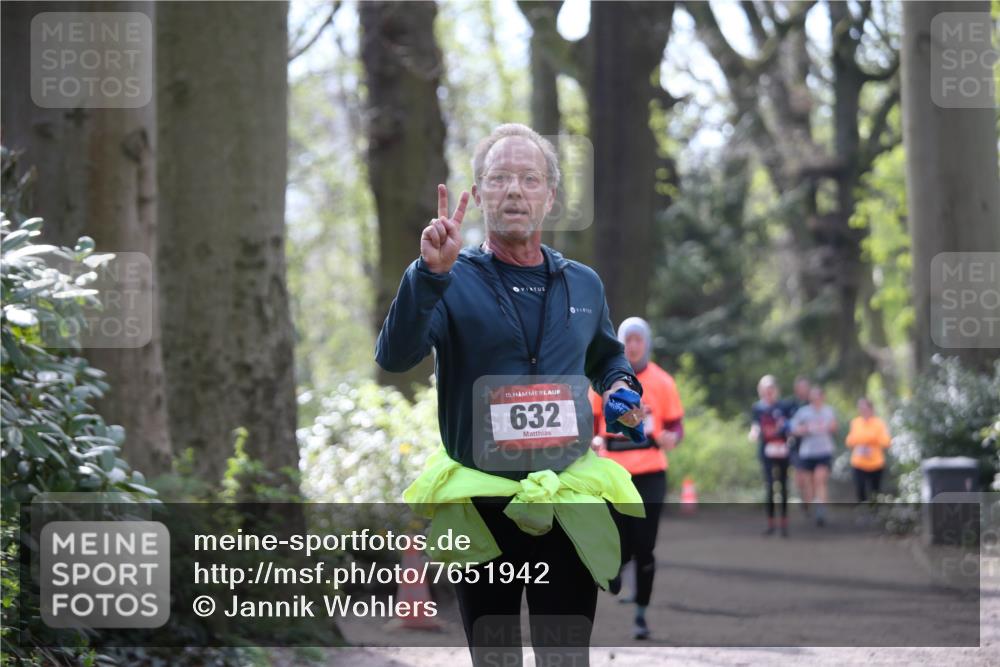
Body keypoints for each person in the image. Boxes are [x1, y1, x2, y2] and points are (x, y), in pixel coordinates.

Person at [376, 123, 647, 667]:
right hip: (482, 505)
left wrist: (620, 388)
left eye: (529, 178)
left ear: (550, 195)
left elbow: (607, 357)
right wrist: (428, 275)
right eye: (499, 178)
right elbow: (395, 356)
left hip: (566, 501)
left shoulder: (584, 284)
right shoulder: (448, 277)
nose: (515, 190)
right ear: (478, 193)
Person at [588, 316, 684, 640]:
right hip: (612, 472)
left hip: (650, 472)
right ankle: (614, 568)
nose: (632, 346)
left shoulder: (662, 381)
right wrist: (592, 440)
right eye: (627, 340)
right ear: (619, 343)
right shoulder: (601, 380)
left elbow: (676, 425)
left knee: (645, 546)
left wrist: (673, 437)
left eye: (638, 340)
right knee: (619, 541)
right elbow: (590, 423)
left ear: (646, 343)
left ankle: (641, 615)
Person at [749, 375, 792, 536]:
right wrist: (754, 433)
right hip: (766, 451)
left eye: (770, 389)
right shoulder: (757, 408)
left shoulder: (784, 406)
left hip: (782, 451)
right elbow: (755, 425)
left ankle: (784, 524)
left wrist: (785, 426)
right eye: (764, 390)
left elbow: (791, 425)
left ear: (776, 390)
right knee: (769, 487)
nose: (768, 393)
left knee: (783, 486)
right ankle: (771, 523)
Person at [790, 386, 838, 527]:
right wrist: (804, 429)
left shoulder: (829, 411)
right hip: (807, 453)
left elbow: (835, 428)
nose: (816, 399)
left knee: (820, 479)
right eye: (813, 396)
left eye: (818, 396)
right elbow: (793, 428)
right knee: (808, 484)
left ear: (823, 397)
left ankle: (821, 511)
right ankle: (808, 504)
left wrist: (827, 427)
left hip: (824, 452)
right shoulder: (803, 412)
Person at [845, 398, 892, 502]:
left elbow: (886, 442)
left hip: (876, 463)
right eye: (860, 408)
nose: (862, 410)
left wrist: (869, 438)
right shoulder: (855, 422)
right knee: (860, 490)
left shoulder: (879, 423)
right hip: (858, 463)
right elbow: (850, 441)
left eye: (865, 408)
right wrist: (867, 438)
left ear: (871, 409)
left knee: (875, 491)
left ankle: (875, 512)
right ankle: (863, 512)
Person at [786, 377, 812, 516]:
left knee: (811, 477)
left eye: (805, 387)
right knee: (800, 477)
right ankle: (805, 501)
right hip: (796, 446)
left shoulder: (813, 403)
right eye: (799, 388)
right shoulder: (790, 404)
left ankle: (811, 503)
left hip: (813, 446)